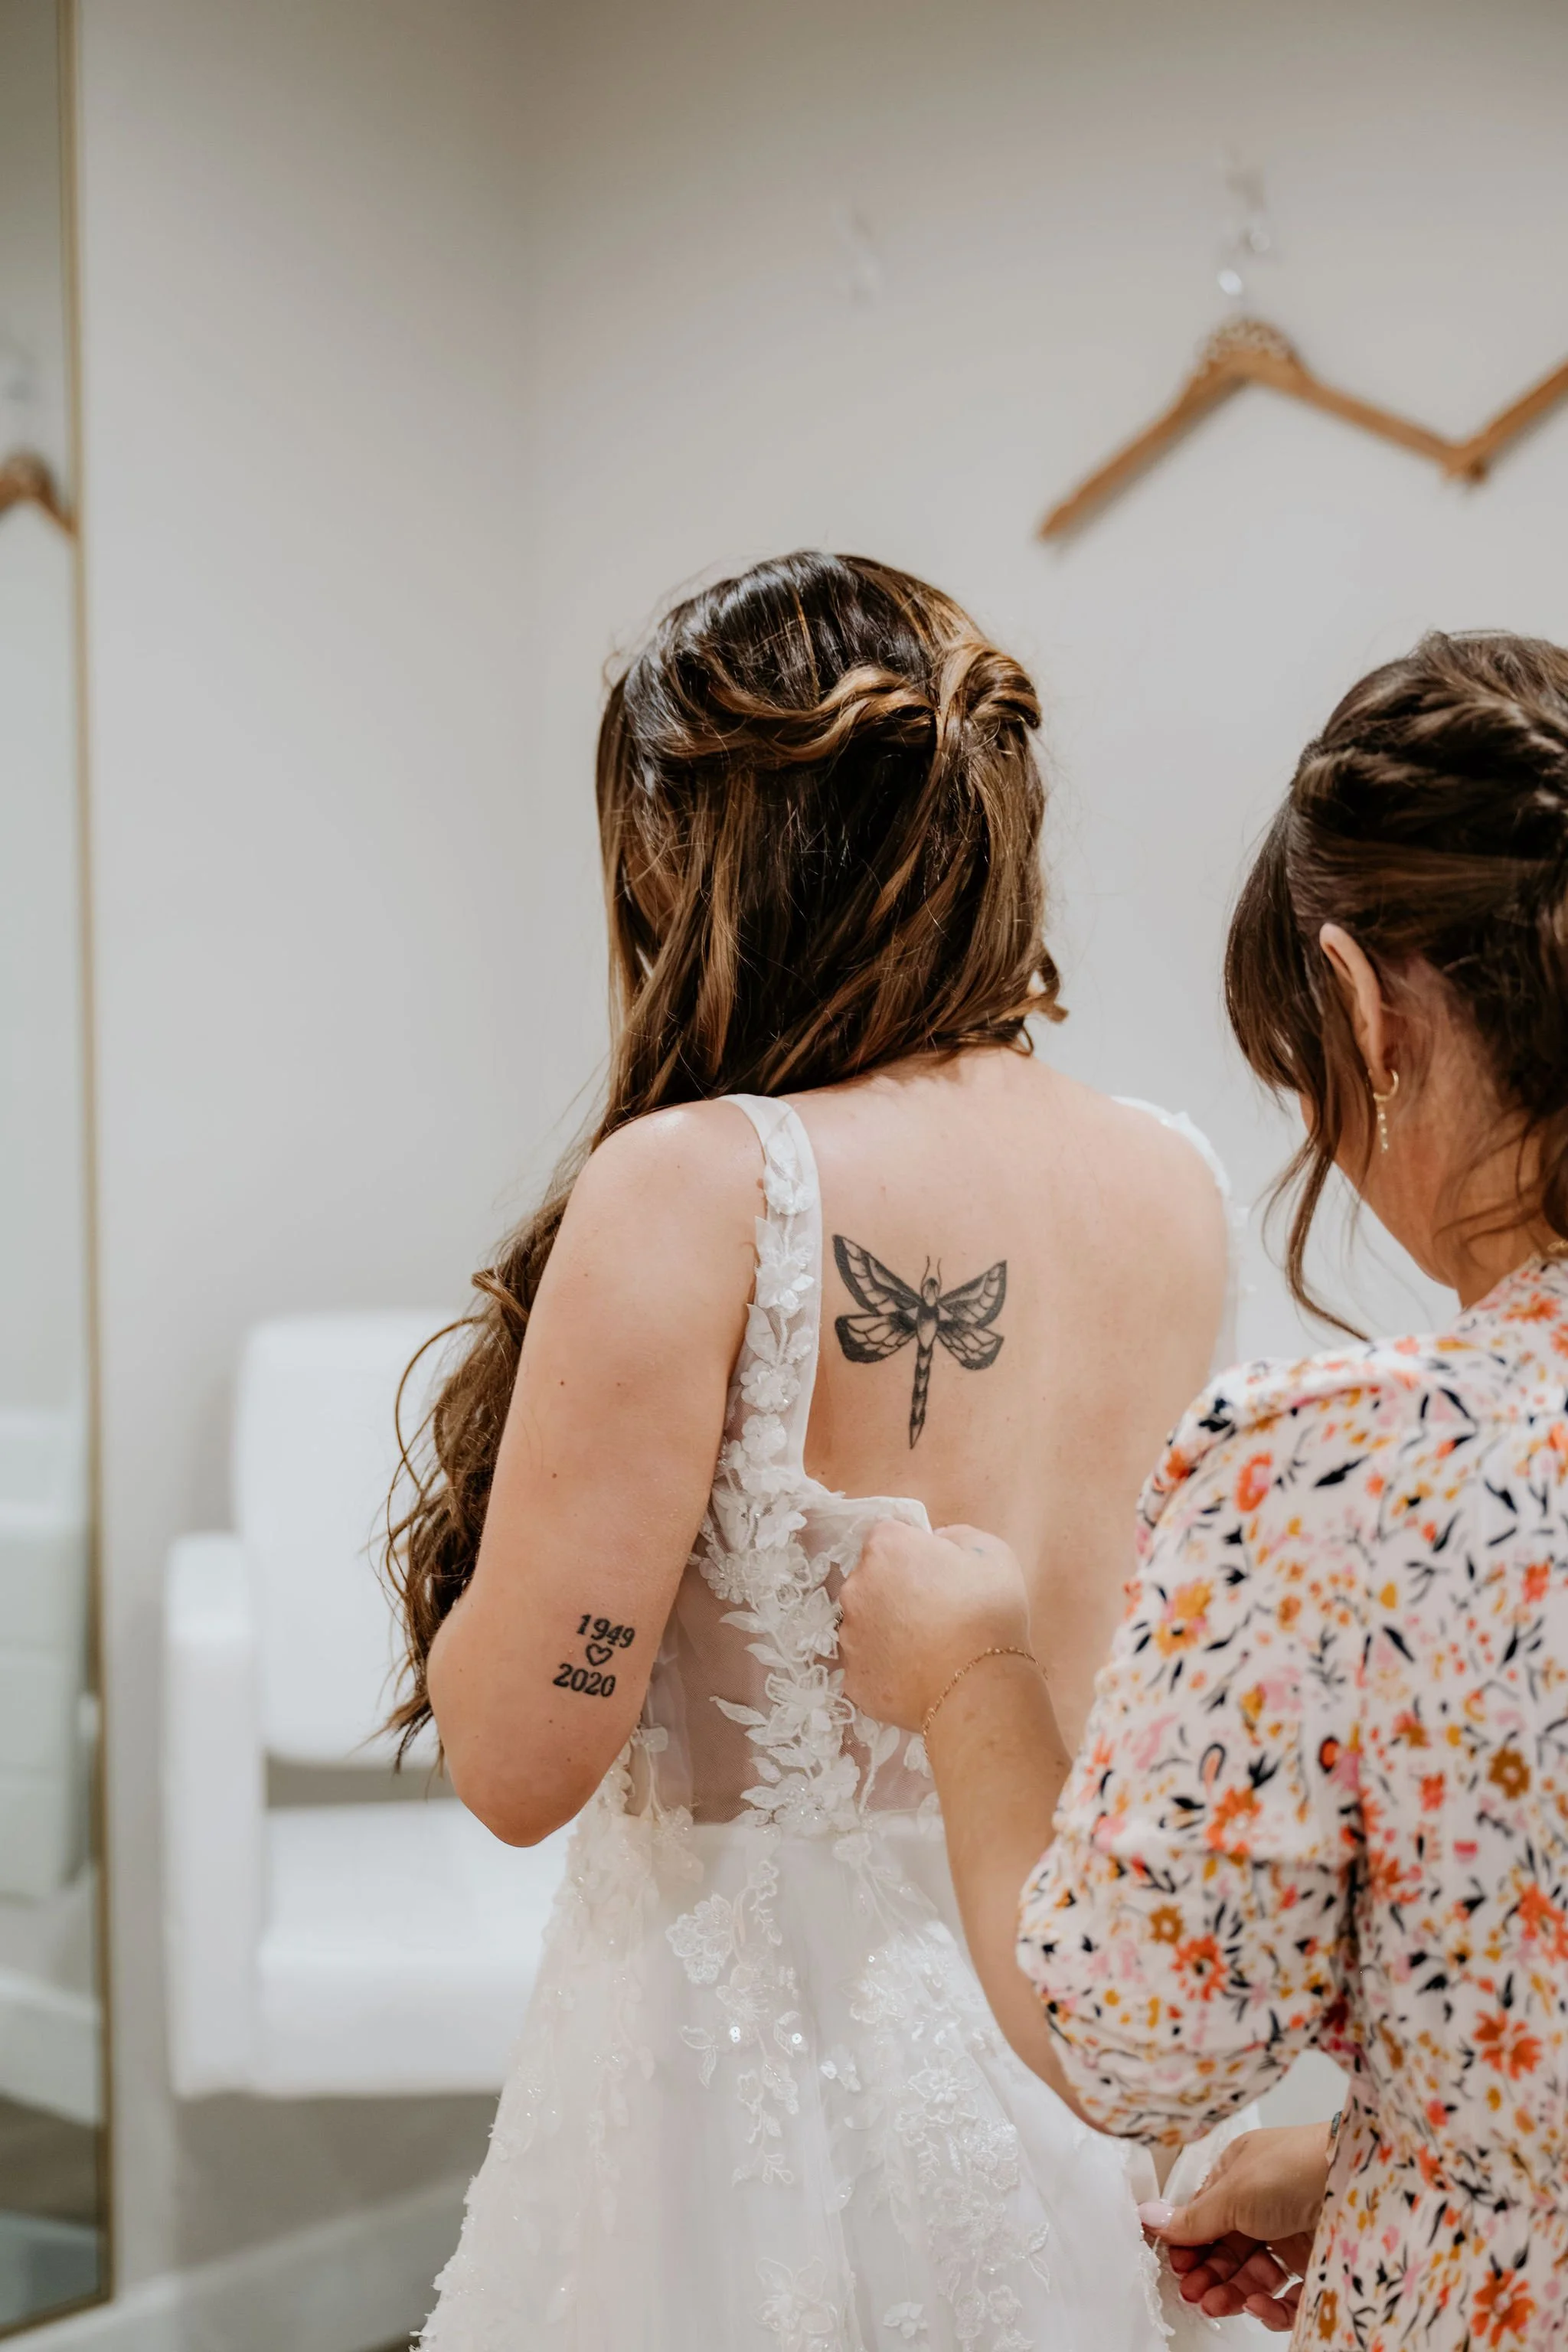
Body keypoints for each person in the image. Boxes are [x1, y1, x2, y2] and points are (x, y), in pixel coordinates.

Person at [387, 550, 1257, 2349]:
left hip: (750, 2110)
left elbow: (519, 1759)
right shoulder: (1177, 1183)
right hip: (1057, 2050)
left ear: (701, 856)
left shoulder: (701, 1185)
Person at [838, 629, 1568, 2350]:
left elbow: (1135, 2037)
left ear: (1360, 1006)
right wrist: (1374, 2160)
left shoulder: (1338, 1471)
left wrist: (968, 1677)